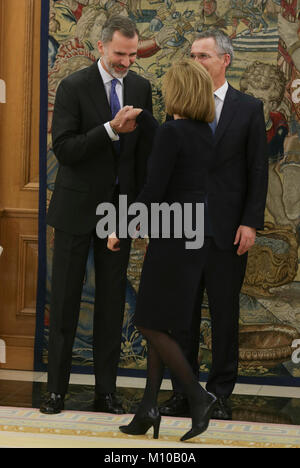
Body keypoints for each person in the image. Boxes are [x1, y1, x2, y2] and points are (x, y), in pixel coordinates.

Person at [40, 15, 153, 415]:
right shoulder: (73, 87)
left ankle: (106, 392)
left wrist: (137, 209)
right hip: (75, 211)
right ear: (102, 47)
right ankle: (56, 391)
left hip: (118, 215)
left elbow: (141, 156)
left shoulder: (141, 87)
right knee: (66, 303)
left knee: (111, 307)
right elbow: (65, 150)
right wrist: (109, 129)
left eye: (132, 54)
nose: (126, 61)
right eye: (120, 53)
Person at [159, 29, 268, 420]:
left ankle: (220, 393)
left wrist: (250, 223)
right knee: (181, 318)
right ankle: (184, 393)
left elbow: (258, 170)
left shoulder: (248, 108)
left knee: (224, 316)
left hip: (226, 232)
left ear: (225, 60)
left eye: (203, 56)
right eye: (192, 55)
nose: (195, 62)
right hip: (182, 230)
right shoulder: (178, 105)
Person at [108, 59, 218, 442]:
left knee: (147, 322)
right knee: (160, 322)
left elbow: (154, 190)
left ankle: (197, 396)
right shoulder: (203, 131)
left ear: (178, 92)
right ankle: (149, 409)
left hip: (171, 239)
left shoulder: (174, 134)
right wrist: (152, 123)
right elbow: (176, 144)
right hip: (194, 237)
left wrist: (120, 226)